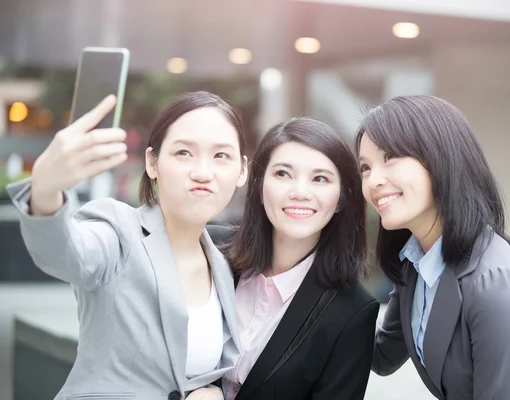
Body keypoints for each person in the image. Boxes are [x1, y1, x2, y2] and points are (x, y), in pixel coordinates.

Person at [7, 91, 248, 400]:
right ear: (152, 163)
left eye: (221, 156)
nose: (202, 172)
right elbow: (64, 253)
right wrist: (45, 189)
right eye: (183, 153)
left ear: (241, 171)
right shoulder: (119, 230)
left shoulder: (224, 267)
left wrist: (209, 392)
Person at [357, 95, 510, 400]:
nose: (373, 181)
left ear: (440, 158)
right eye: (365, 167)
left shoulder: (496, 284)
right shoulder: (415, 263)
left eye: (389, 158)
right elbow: (383, 356)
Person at [212, 117, 379, 400]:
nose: (300, 192)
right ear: (259, 186)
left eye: (320, 179)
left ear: (340, 200)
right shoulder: (208, 250)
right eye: (283, 174)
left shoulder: (352, 312)